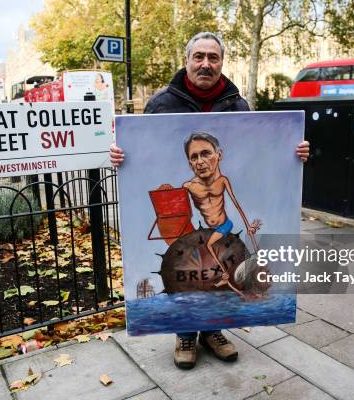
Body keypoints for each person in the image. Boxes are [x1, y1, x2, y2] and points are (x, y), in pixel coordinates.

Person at [110, 31, 310, 370]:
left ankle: (213, 331)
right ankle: (185, 333)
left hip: (224, 224)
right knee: (193, 265)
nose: (206, 63)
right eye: (198, 56)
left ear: (221, 63)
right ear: (187, 61)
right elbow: (144, 155)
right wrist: (120, 156)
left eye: (213, 57)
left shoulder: (238, 105)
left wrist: (294, 154)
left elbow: (261, 153)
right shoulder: (161, 103)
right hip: (197, 223)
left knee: (221, 264)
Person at [182, 131, 261, 296]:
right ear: (189, 163)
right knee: (208, 246)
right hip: (211, 228)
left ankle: (227, 277)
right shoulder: (189, 186)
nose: (200, 162)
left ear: (219, 155)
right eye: (194, 157)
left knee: (210, 245)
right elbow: (181, 211)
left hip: (225, 224)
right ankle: (231, 280)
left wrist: (249, 229)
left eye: (206, 154)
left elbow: (237, 206)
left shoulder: (222, 181)